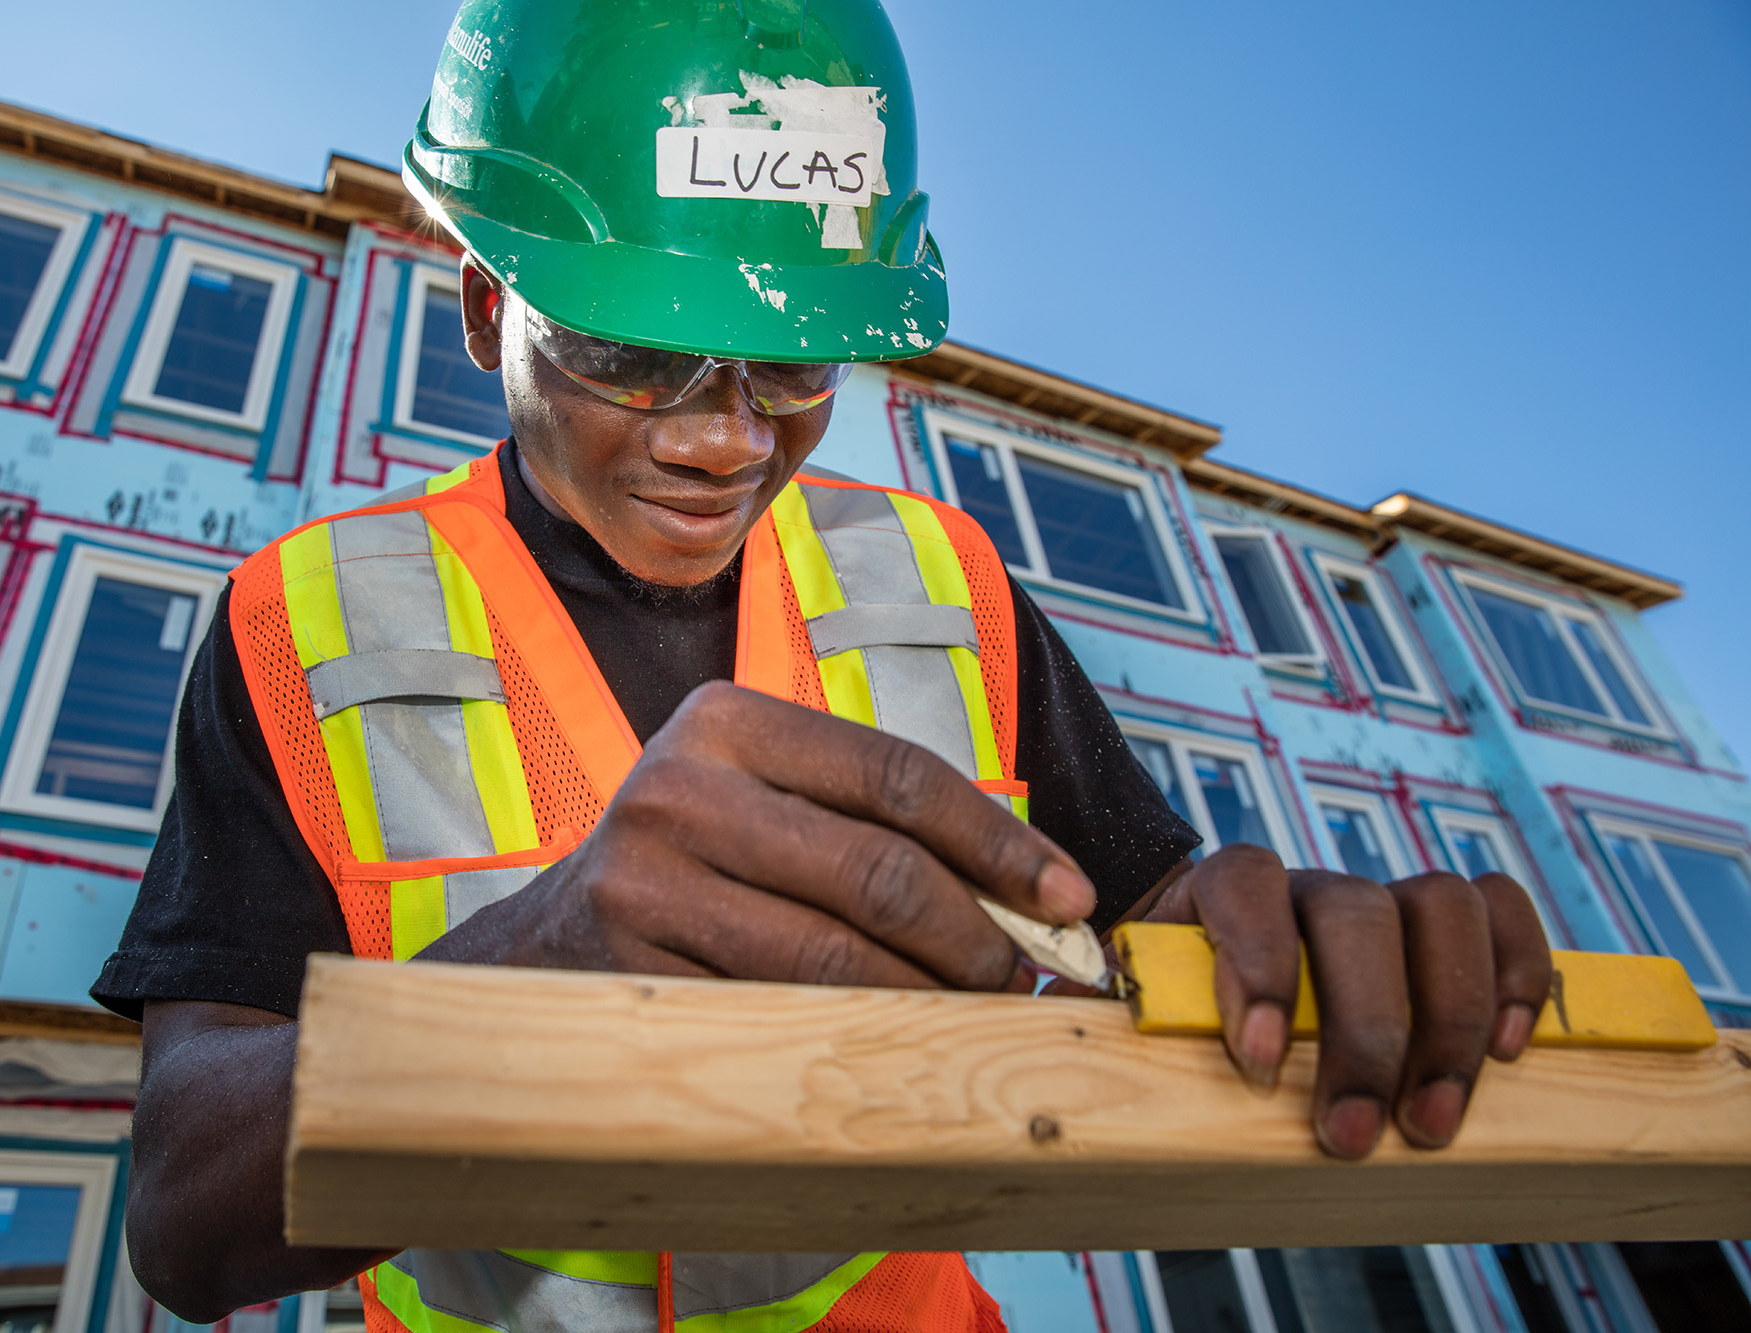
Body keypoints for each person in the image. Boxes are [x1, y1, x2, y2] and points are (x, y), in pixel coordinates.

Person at [92, 1, 1554, 1329]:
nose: (725, 438)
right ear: (489, 308)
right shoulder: (308, 623)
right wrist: (532, 969)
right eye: (633, 349)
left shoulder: (942, 583)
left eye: (795, 361)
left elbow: (1154, 929)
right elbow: (180, 1212)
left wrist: (1291, 945)